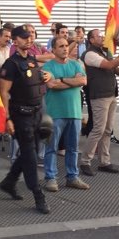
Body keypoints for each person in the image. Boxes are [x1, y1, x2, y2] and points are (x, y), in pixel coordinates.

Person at [0, 25, 51, 214]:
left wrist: (46, 76)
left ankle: (9, 181)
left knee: (32, 152)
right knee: (30, 156)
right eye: (24, 37)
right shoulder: (10, 65)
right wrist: (7, 119)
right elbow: (3, 93)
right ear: (15, 40)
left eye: (30, 36)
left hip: (36, 113)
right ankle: (38, 195)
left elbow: (35, 79)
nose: (29, 40)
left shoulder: (32, 60)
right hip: (20, 115)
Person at [81, 28, 119, 175]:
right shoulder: (90, 54)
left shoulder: (105, 52)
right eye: (99, 36)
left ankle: (104, 162)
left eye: (102, 35)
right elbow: (109, 65)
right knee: (98, 129)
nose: (103, 37)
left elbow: (115, 71)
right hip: (99, 95)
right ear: (91, 40)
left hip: (111, 94)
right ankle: (85, 161)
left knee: (107, 130)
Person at [41, 36, 89, 192]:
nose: (65, 48)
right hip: (55, 113)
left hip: (74, 113)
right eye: (61, 46)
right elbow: (52, 84)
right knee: (51, 148)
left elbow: (83, 81)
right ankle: (50, 178)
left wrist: (61, 79)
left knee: (73, 148)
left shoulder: (76, 64)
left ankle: (72, 177)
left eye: (66, 45)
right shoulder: (48, 66)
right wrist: (70, 81)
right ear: (53, 50)